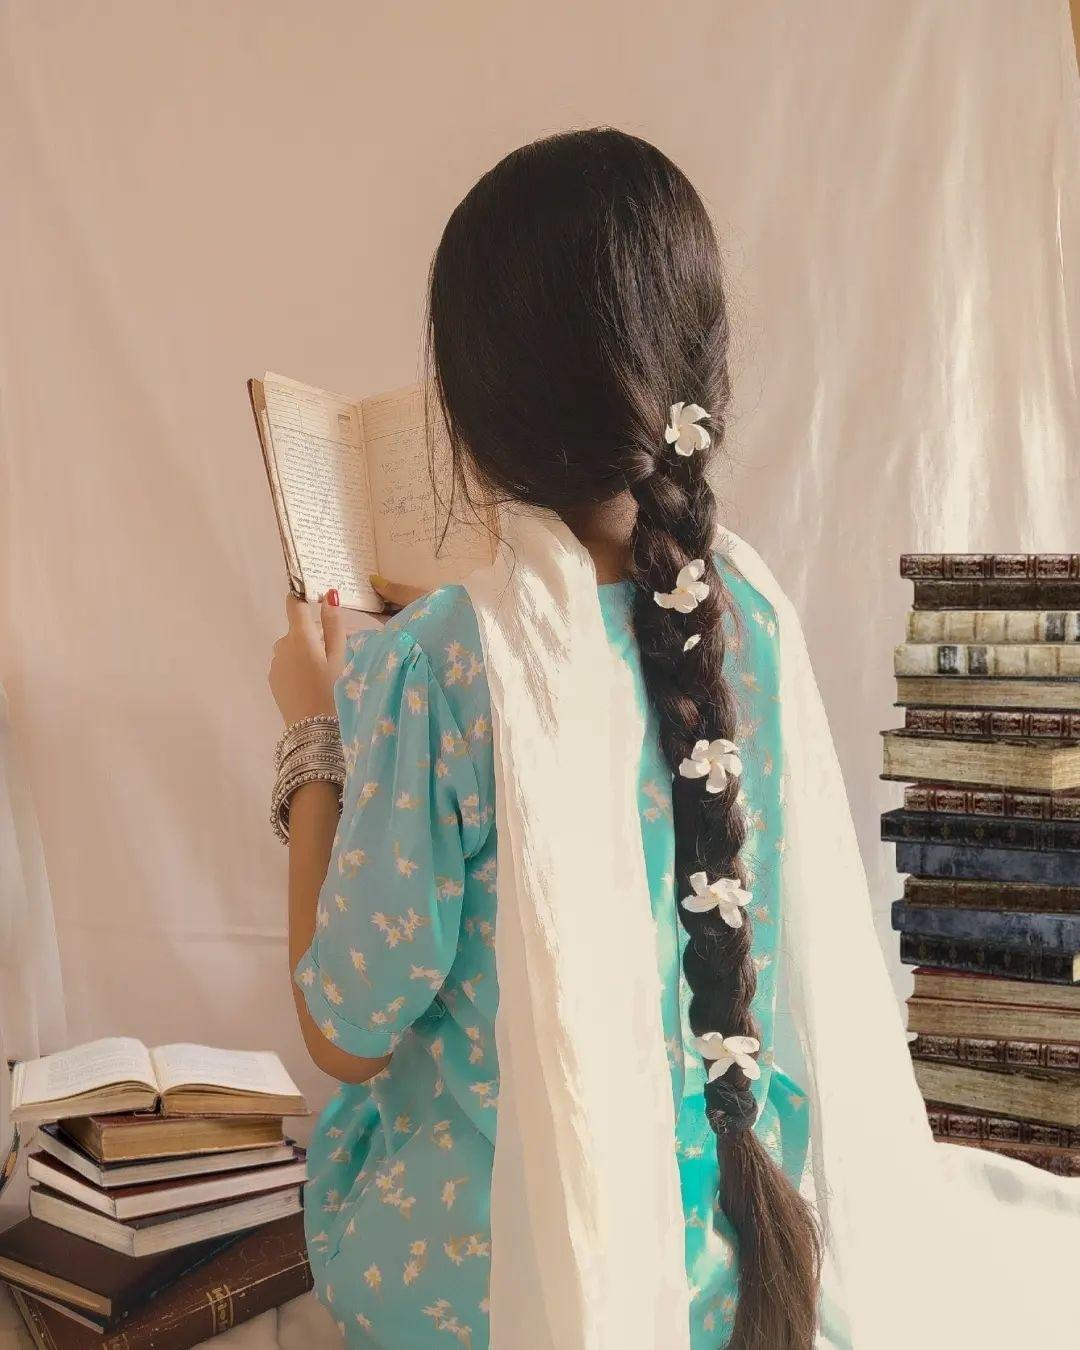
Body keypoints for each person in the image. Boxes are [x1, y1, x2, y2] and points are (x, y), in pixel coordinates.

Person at [268, 128, 828, 1349]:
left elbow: (345, 1032)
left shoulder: (441, 665)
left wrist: (315, 734)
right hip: (727, 1255)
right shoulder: (755, 618)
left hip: (478, 1284)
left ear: (469, 412)